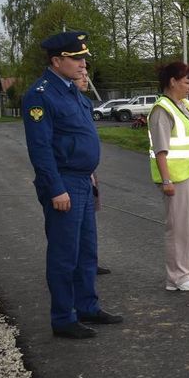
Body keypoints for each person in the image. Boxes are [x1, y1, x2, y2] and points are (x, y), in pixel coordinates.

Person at [22, 31, 122, 339]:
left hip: (82, 179)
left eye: (83, 59)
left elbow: (79, 134)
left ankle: (87, 306)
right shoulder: (41, 95)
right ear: (56, 60)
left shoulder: (72, 91)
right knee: (65, 254)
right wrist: (55, 188)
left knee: (87, 251)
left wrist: (89, 171)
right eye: (76, 59)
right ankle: (64, 318)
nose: (83, 64)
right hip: (63, 182)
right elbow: (40, 148)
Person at [148, 62, 189, 291]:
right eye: (187, 82)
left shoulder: (185, 105)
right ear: (173, 82)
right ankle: (177, 277)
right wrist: (166, 180)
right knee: (179, 226)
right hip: (175, 177)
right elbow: (161, 149)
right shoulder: (162, 110)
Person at [74, 71, 110, 275]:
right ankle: (76, 266)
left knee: (89, 224)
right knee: (74, 224)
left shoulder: (85, 103)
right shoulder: (63, 102)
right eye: (81, 76)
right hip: (73, 173)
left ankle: (89, 263)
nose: (85, 79)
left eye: (86, 75)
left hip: (88, 172)